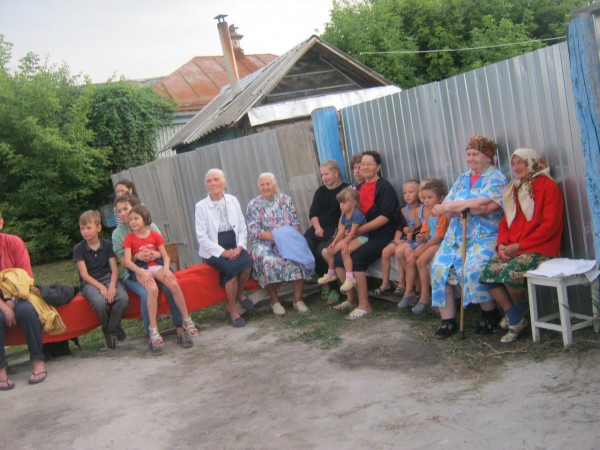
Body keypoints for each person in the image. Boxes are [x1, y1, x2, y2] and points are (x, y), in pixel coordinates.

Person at [480, 147, 563, 343]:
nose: (516, 167)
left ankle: (515, 315)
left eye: (521, 162)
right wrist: (501, 245)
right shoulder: (515, 189)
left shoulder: (548, 186)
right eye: (513, 163)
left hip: (540, 248)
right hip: (514, 247)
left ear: (532, 163)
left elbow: (549, 226)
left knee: (509, 273)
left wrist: (519, 246)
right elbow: (506, 222)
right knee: (487, 273)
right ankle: (516, 316)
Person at [429, 135, 508, 339]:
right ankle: (448, 321)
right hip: (455, 236)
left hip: (484, 236)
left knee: (473, 268)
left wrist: (458, 206)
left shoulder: (496, 178)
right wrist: (461, 207)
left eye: (475, 154)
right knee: (439, 268)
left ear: (488, 156)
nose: (470, 159)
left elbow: (485, 206)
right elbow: (446, 208)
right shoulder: (463, 178)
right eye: (468, 154)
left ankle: (489, 314)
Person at [112, 194, 194, 355]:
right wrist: (137, 257)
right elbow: (124, 261)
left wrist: (154, 254)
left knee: (171, 287)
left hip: (156, 266)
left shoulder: (151, 227)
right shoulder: (118, 234)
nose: (122, 214)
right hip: (132, 272)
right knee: (146, 293)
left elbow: (161, 250)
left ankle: (180, 330)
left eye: (125, 209)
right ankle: (152, 336)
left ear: (135, 208)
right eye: (119, 211)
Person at [333, 151, 399, 319]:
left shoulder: (385, 187)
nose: (365, 167)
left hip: (381, 234)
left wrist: (359, 230)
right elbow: (348, 212)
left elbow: (385, 217)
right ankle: (351, 299)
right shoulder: (357, 188)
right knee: (339, 259)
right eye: (363, 164)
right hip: (361, 234)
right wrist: (347, 230)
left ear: (378, 167)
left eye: (369, 164)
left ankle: (365, 304)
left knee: (357, 259)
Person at [246, 173, 312, 316]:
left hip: (286, 239)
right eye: (262, 185)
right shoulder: (253, 205)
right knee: (267, 260)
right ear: (258, 187)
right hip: (264, 243)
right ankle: (274, 301)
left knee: (296, 257)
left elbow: (294, 223)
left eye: (268, 184)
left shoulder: (285, 200)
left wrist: (284, 240)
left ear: (274, 184)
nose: (265, 187)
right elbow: (255, 230)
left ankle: (298, 300)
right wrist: (277, 239)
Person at [195, 169, 254, 328]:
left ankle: (239, 293)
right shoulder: (201, 206)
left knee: (247, 266)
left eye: (216, 179)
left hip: (234, 244)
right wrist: (223, 253)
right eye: (209, 181)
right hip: (213, 249)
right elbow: (202, 238)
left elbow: (242, 226)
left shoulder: (232, 200)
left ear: (224, 182)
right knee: (232, 272)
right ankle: (232, 309)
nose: (213, 183)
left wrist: (240, 247)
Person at [0, 212, 47, 389]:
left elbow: (27, 278)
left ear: (1, 223)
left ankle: (38, 362)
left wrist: (12, 302)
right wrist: (5, 308)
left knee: (27, 311)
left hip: (20, 293)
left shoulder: (14, 242)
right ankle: (1, 371)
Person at [73, 210, 129, 349]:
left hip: (109, 278)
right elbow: (84, 275)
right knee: (99, 303)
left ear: (98, 228)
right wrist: (101, 287)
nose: (85, 231)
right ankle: (111, 329)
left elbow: (114, 269)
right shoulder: (79, 249)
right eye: (82, 228)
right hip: (89, 282)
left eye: (88, 228)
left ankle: (111, 328)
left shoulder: (107, 245)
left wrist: (112, 286)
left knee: (122, 298)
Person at [398, 179, 450, 314]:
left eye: (430, 198)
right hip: (431, 242)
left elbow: (439, 236)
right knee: (410, 259)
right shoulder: (430, 213)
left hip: (440, 244)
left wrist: (424, 246)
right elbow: (427, 233)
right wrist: (422, 237)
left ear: (441, 198)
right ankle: (409, 291)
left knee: (421, 262)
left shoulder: (442, 214)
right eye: (425, 198)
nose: (426, 201)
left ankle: (425, 297)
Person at [304, 160, 348, 304]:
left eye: (327, 174)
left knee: (321, 251)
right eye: (322, 175)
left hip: (335, 228)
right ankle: (323, 280)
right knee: (306, 247)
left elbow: (346, 214)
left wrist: (339, 231)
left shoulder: (345, 189)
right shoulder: (320, 191)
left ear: (336, 173)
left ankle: (334, 288)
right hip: (318, 228)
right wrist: (317, 227)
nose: (324, 177)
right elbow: (313, 213)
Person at [318, 188, 368, 292]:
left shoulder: (356, 214)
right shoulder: (344, 215)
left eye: (344, 202)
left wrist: (345, 242)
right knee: (330, 250)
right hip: (351, 237)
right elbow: (341, 230)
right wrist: (334, 242)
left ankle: (350, 278)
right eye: (340, 202)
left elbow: (353, 232)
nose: (341, 205)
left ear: (354, 203)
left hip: (362, 237)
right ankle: (331, 273)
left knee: (345, 251)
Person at [369, 206, 408, 296]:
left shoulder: (420, 209)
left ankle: (401, 284)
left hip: (411, 239)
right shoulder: (403, 209)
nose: (407, 197)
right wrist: (396, 239)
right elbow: (400, 226)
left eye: (410, 193)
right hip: (401, 238)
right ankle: (385, 283)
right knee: (385, 252)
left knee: (399, 251)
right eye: (405, 195)